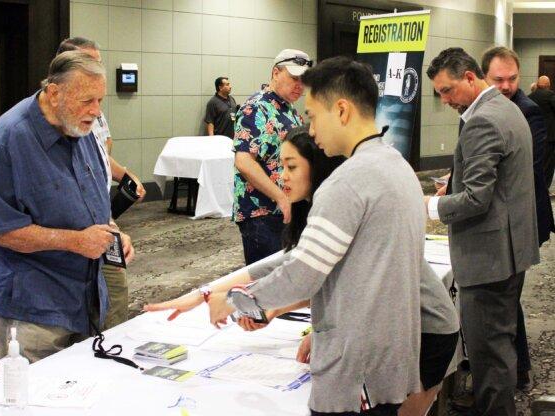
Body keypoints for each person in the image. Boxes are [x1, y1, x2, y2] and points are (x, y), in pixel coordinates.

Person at [146, 126, 459, 415]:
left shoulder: (345, 204)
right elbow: (301, 268)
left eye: (291, 166)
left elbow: (301, 272)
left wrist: (227, 298)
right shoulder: (319, 205)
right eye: (281, 166)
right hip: (390, 328)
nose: (282, 176)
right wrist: (205, 294)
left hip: (425, 329)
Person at [221, 56, 426, 415]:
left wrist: (237, 299)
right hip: (388, 360)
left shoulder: (346, 183)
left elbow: (302, 274)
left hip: (354, 368)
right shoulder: (398, 166)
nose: (311, 131)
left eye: (314, 116)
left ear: (342, 111)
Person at [0, 50, 134, 362]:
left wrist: (114, 233)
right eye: (87, 100)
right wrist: (76, 242)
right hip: (35, 308)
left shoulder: (83, 128)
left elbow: (95, 202)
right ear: (54, 93)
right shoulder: (9, 140)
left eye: (100, 101)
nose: (96, 111)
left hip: (85, 298)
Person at [425, 47, 539, 416]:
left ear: (470, 78)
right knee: (498, 349)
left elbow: (477, 198)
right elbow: (500, 182)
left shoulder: (482, 121)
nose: (445, 101)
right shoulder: (506, 109)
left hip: (488, 258)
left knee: (490, 357)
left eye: (447, 90)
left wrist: (428, 207)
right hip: (509, 250)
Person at [56, 37, 143, 330]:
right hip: (75, 224)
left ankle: (108, 345)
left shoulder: (95, 107)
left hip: (101, 212)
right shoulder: (58, 114)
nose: (96, 69)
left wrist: (124, 174)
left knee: (116, 291)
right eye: (87, 62)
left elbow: (102, 153)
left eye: (98, 61)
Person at [481, 46, 554, 388]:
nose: (507, 85)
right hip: (499, 221)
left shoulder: (529, 112)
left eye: (512, 78)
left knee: (506, 296)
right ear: (484, 78)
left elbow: (527, 171)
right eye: (498, 80)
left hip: (522, 220)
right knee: (502, 296)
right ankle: (514, 366)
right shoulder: (484, 110)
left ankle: (517, 368)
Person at [233, 48, 310, 265]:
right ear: (276, 73)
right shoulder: (256, 108)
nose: (300, 85)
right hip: (262, 212)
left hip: (285, 210)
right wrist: (280, 196)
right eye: (294, 78)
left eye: (303, 80)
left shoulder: (289, 110)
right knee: (266, 283)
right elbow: (244, 161)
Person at [529, 75, 555, 188]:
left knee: (535, 162)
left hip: (533, 135)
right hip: (549, 136)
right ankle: (545, 187)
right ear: (548, 85)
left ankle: (534, 186)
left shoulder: (529, 96)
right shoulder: (550, 96)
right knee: (548, 164)